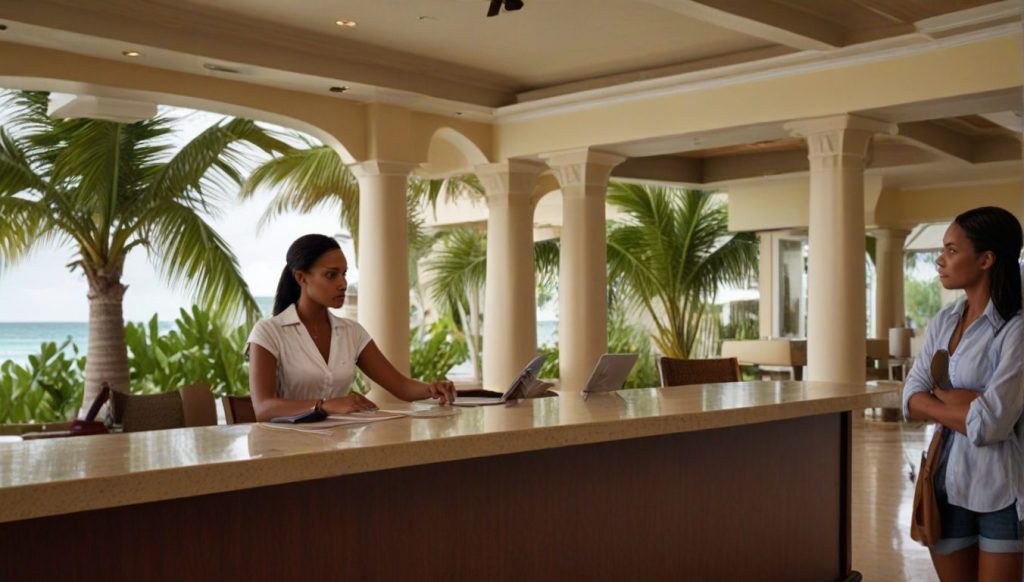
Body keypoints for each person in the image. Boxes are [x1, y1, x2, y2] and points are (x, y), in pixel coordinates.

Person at [903, 206, 1023, 582]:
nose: (940, 260)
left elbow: (989, 425)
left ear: (986, 259)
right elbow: (909, 397)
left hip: (1001, 491)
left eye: (952, 251)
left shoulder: (1015, 330)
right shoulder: (943, 322)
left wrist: (937, 398)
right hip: (944, 484)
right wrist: (965, 401)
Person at [247, 234, 457, 420]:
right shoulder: (268, 332)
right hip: (286, 448)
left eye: (344, 274)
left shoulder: (352, 332)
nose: (343, 284)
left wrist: (431, 388)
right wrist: (326, 405)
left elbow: (401, 387)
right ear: (302, 278)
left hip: (341, 443)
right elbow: (264, 407)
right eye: (331, 275)